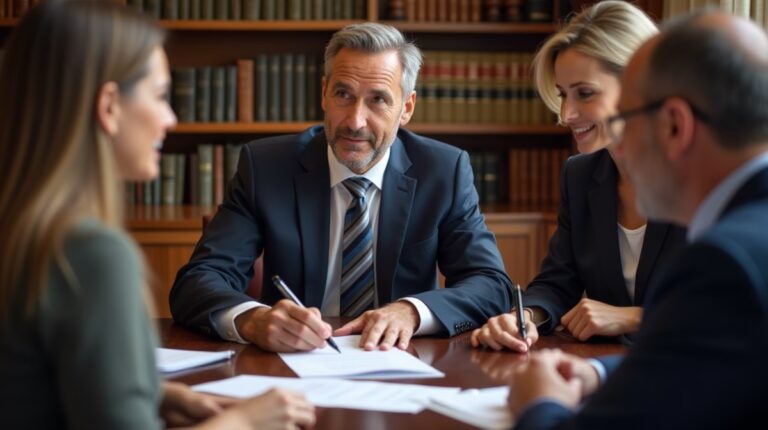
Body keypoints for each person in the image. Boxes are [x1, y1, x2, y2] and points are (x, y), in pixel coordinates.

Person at [0, 2, 315, 429]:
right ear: (109, 105)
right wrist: (247, 421)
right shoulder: (90, 253)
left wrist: (149, 393)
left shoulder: (21, 229)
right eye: (161, 95)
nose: (171, 118)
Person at [170, 22, 513, 352]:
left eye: (378, 99)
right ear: (323, 93)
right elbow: (198, 281)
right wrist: (253, 320)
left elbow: (490, 284)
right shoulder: (266, 167)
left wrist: (411, 311)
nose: (355, 121)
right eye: (343, 94)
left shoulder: (442, 171)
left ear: (406, 108)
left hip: (402, 361)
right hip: (293, 366)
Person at [507, 10, 768, 429]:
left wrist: (538, 404)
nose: (621, 149)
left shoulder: (725, 261)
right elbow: (701, 357)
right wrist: (598, 373)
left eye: (627, 119)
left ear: (675, 125)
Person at [471, 1, 686, 352]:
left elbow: (736, 306)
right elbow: (558, 281)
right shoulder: (580, 174)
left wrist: (633, 317)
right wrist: (526, 317)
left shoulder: (703, 174)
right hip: (607, 370)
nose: (566, 114)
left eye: (585, 93)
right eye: (562, 95)